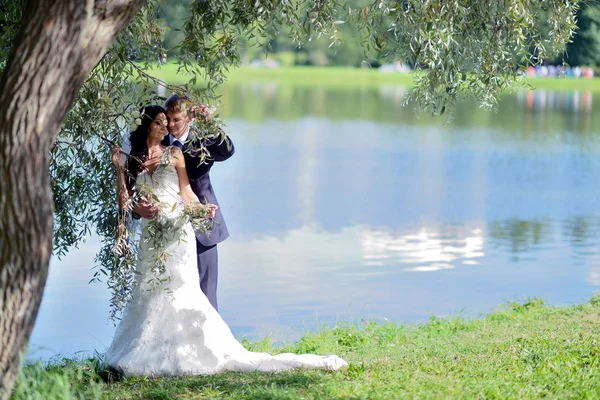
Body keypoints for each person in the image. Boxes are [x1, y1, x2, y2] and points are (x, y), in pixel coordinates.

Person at [105, 105, 347, 376]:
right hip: (151, 236)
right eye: (160, 123)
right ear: (147, 126)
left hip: (178, 231)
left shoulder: (175, 153)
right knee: (148, 289)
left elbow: (187, 192)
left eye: (168, 122)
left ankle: (190, 348)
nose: (166, 128)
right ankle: (144, 348)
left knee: (182, 288)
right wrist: (120, 174)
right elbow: (125, 203)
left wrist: (200, 210)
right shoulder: (131, 160)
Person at [134, 95, 231, 311]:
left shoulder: (202, 139)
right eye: (168, 120)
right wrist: (137, 208)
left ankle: (208, 343)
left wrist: (210, 123)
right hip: (166, 232)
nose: (171, 125)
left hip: (202, 225)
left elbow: (227, 151)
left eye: (177, 119)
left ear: (188, 117)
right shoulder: (158, 142)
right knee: (169, 293)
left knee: (206, 292)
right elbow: (139, 187)